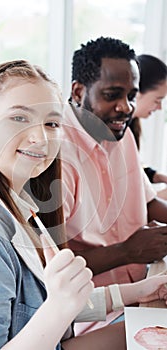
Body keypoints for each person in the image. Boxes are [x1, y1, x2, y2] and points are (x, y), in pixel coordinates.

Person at [0, 60, 167, 350]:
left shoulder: (17, 203)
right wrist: (58, 307)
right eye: (19, 118)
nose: (40, 138)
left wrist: (138, 291)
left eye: (52, 123)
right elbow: (54, 307)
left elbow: (48, 302)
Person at [60, 37, 167, 332]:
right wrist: (127, 251)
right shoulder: (55, 158)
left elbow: (148, 203)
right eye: (112, 95)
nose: (125, 107)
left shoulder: (121, 135)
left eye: (131, 95)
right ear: (79, 91)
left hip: (142, 287)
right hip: (92, 313)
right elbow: (53, 270)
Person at [129, 54, 167, 198]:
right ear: (136, 93)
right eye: (157, 100)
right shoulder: (118, 132)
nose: (159, 107)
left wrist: (158, 176)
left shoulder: (132, 126)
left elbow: (135, 168)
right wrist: (160, 195)